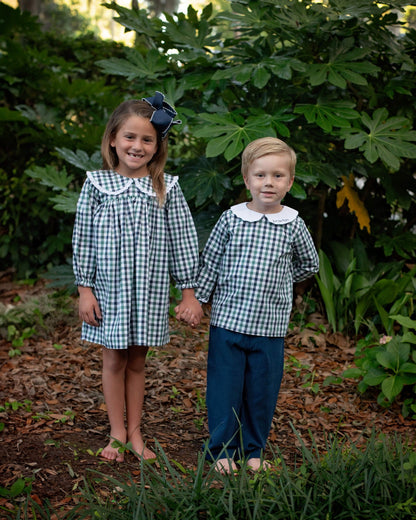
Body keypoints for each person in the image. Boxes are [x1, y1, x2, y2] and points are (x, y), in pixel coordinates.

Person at [72, 92, 203, 462]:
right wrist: (85, 290)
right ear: (113, 138)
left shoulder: (166, 188)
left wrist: (188, 292)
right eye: (129, 137)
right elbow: (83, 240)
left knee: (138, 362)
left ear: (157, 145)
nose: (137, 145)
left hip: (148, 292)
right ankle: (116, 433)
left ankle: (135, 431)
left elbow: (183, 240)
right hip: (109, 293)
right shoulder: (97, 185)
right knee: (113, 361)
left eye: (147, 139)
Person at [195, 137, 319, 473]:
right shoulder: (232, 219)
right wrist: (199, 299)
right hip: (228, 323)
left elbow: (309, 264)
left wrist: (279, 281)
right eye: (261, 175)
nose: (269, 182)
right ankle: (221, 451)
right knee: (224, 389)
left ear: (290, 182)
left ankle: (253, 451)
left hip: (270, 327)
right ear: (247, 179)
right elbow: (213, 262)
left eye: (278, 176)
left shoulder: (292, 223)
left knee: (261, 392)